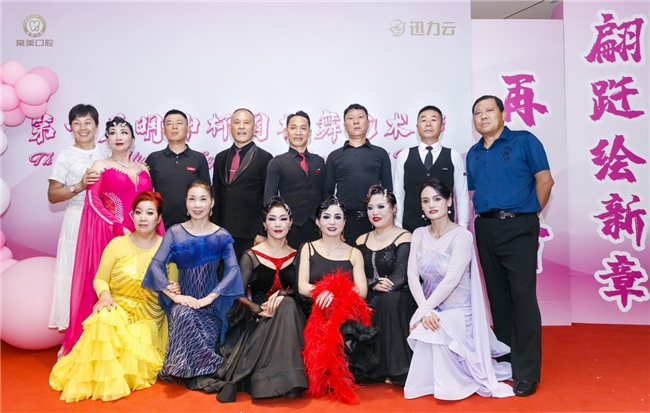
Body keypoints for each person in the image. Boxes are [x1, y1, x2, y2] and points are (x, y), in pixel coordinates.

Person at [466, 95, 554, 397]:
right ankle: (506, 360)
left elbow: (545, 181)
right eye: (477, 113)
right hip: (485, 227)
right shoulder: (473, 153)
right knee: (498, 298)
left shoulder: (524, 141)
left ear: (503, 113)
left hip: (519, 226)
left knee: (522, 297)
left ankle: (527, 372)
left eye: (489, 110)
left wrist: (530, 214)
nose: (483, 116)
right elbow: (475, 190)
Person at [50, 191, 170, 402]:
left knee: (131, 352)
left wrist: (173, 289)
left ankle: (107, 381)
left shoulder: (167, 248)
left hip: (149, 316)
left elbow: (171, 287)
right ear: (132, 216)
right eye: (138, 212)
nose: (143, 218)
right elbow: (100, 279)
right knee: (103, 317)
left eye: (150, 213)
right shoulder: (117, 244)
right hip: (118, 306)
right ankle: (94, 381)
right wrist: (104, 295)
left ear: (158, 218)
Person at [61, 117, 165, 356]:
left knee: (143, 286)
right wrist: (117, 226)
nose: (118, 136)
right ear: (106, 139)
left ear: (133, 139)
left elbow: (151, 203)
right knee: (106, 284)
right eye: (113, 132)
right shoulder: (100, 165)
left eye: (124, 132)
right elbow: (93, 201)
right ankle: (94, 344)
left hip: (145, 234)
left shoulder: (143, 169)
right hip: (111, 236)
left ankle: (135, 343)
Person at [190, 196, 308, 402]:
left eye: (283, 219)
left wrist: (284, 295)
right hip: (259, 318)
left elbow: (302, 291)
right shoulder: (251, 255)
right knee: (281, 311)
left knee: (288, 305)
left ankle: (287, 379)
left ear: (290, 223)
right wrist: (257, 309)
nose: (278, 224)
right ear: (264, 224)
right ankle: (280, 382)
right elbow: (237, 293)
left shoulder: (299, 255)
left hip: (291, 318)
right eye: (272, 219)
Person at [404, 179, 514, 401]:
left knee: (435, 324)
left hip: (460, 314)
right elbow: (412, 275)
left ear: (449, 201)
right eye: (426, 200)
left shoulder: (463, 236)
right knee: (432, 323)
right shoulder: (418, 234)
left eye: (437, 199)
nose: (431, 205)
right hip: (431, 311)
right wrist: (425, 311)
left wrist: (421, 312)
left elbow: (452, 279)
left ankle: (453, 384)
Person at [142, 180, 243, 384]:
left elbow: (233, 270)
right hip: (184, 304)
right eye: (192, 199)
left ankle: (190, 367)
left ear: (212, 203)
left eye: (203, 199)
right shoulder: (174, 233)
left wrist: (209, 298)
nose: (197, 205)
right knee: (182, 312)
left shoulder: (221, 235)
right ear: (186, 203)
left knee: (193, 323)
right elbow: (155, 265)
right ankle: (195, 366)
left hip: (211, 308)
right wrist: (175, 297)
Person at [297, 196, 377, 404]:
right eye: (326, 217)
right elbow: (302, 286)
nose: (332, 222)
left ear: (344, 222)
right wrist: (322, 292)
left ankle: (339, 373)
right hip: (313, 307)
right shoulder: (307, 248)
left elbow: (362, 290)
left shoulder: (354, 253)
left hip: (343, 310)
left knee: (345, 322)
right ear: (318, 222)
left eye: (337, 217)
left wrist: (336, 292)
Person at [47, 104, 106, 333]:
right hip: (77, 220)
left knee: (102, 274)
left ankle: (99, 332)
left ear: (96, 126)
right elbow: (53, 195)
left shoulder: (106, 153)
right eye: (77, 123)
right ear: (70, 127)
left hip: (103, 221)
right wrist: (79, 186)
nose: (83, 128)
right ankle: (72, 334)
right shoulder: (66, 155)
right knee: (75, 275)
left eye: (88, 122)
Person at [355, 185, 417, 386]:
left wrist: (379, 287)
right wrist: (371, 284)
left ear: (394, 208)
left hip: (398, 300)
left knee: (389, 299)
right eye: (370, 208)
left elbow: (400, 277)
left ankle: (398, 369)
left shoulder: (405, 237)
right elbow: (356, 276)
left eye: (381, 206)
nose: (375, 212)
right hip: (369, 294)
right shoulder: (360, 240)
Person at [393, 105, 469, 232]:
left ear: (442, 126)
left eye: (433, 119)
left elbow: (461, 196)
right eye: (423, 120)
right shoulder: (404, 156)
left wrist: (462, 227)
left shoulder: (453, 156)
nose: (428, 124)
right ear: (417, 127)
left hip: (445, 230)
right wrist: (398, 227)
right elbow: (399, 195)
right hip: (410, 229)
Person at [324, 103, 392, 245]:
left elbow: (388, 191)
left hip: (373, 221)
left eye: (360, 117)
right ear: (344, 125)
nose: (356, 121)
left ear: (368, 123)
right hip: (344, 222)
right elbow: (327, 193)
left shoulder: (380, 154)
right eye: (351, 118)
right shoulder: (334, 156)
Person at [212, 108, 273, 260]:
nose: (241, 127)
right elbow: (216, 195)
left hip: (251, 234)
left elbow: (268, 199)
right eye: (237, 122)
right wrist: (214, 229)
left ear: (255, 128)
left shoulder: (265, 158)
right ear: (229, 127)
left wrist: (262, 232)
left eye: (246, 122)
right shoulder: (220, 158)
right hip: (222, 233)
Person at [264, 111, 326, 249]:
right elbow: (269, 200)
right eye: (293, 128)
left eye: (303, 128)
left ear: (309, 132)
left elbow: (325, 196)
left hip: (317, 228)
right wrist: (272, 232)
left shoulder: (319, 161)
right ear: (286, 132)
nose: (298, 132)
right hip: (290, 228)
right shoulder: (277, 162)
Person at [146, 109, 211, 229]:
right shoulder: (154, 159)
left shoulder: (199, 158)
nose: (174, 127)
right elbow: (147, 194)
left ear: (188, 129)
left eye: (179, 123)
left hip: (193, 225)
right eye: (169, 123)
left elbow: (206, 194)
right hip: (160, 226)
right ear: (163, 131)